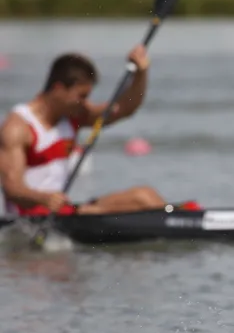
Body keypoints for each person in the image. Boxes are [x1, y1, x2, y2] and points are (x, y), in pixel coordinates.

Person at [0, 47, 169, 217]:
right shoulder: (17, 128)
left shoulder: (74, 115)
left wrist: (141, 73)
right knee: (119, 207)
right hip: (32, 216)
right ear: (58, 89)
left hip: (63, 210)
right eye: (81, 96)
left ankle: (181, 221)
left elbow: (125, 108)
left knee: (145, 196)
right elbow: (12, 189)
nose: (85, 102)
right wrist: (44, 198)